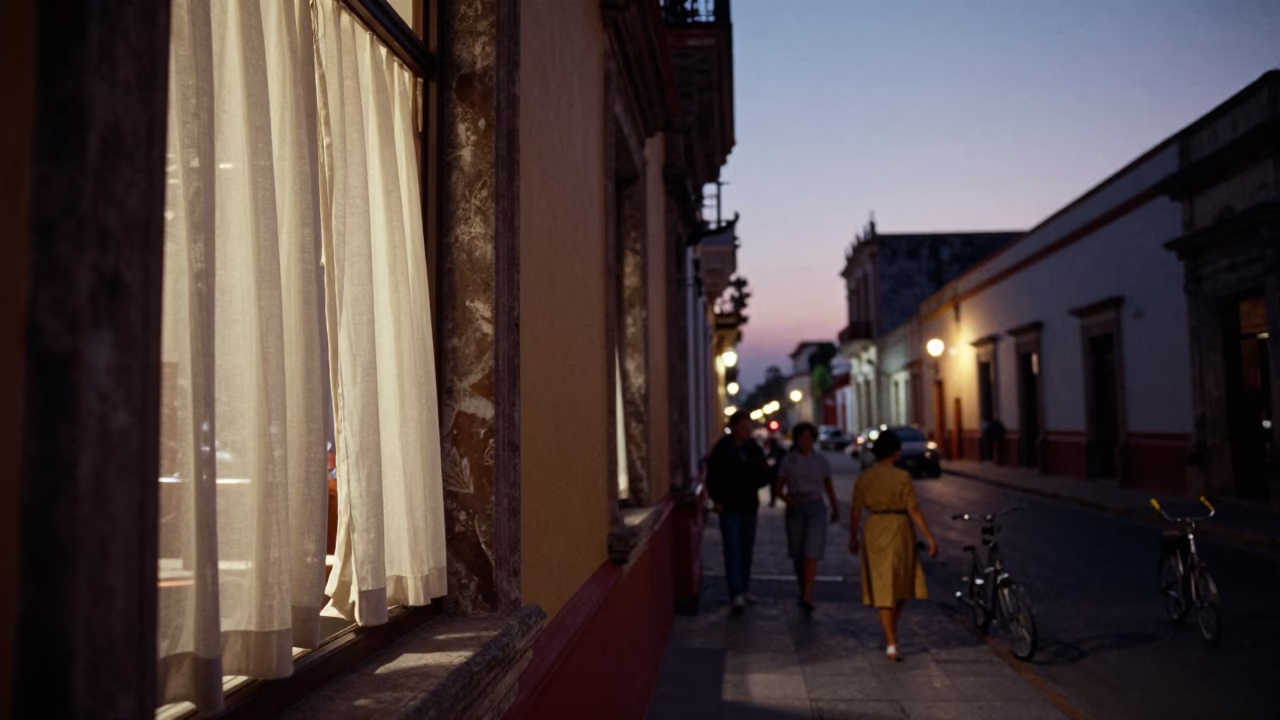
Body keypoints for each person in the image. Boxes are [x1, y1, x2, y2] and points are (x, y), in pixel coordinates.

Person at [848, 429, 938, 662]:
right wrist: (929, 537)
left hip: (875, 528)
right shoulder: (902, 477)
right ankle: (891, 641)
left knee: (882, 583)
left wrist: (853, 536)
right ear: (896, 452)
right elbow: (914, 510)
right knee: (900, 583)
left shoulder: (865, 477)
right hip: (899, 528)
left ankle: (889, 636)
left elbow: (856, 510)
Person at [707, 411, 772, 614]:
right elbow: (713, 476)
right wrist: (717, 499)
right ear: (734, 427)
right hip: (729, 507)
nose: (747, 431)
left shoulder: (753, 448)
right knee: (733, 549)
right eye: (744, 427)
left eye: (749, 427)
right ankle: (735, 592)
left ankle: (744, 588)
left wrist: (752, 481)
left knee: (746, 549)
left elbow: (763, 473)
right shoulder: (722, 448)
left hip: (749, 505)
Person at [776, 422, 840, 613]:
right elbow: (778, 486)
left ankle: (807, 595)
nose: (806, 441)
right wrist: (787, 499)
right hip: (796, 506)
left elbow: (828, 487)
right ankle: (802, 588)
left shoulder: (821, 461)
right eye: (803, 437)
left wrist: (835, 508)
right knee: (798, 553)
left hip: (815, 507)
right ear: (797, 439)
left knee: (811, 552)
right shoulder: (789, 461)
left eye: (810, 438)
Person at [762, 436, 786, 507]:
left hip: (774, 471)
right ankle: (774, 499)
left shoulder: (773, 450)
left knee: (774, 486)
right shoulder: (779, 449)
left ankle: (774, 499)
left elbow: (771, 460)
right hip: (776, 471)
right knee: (774, 486)